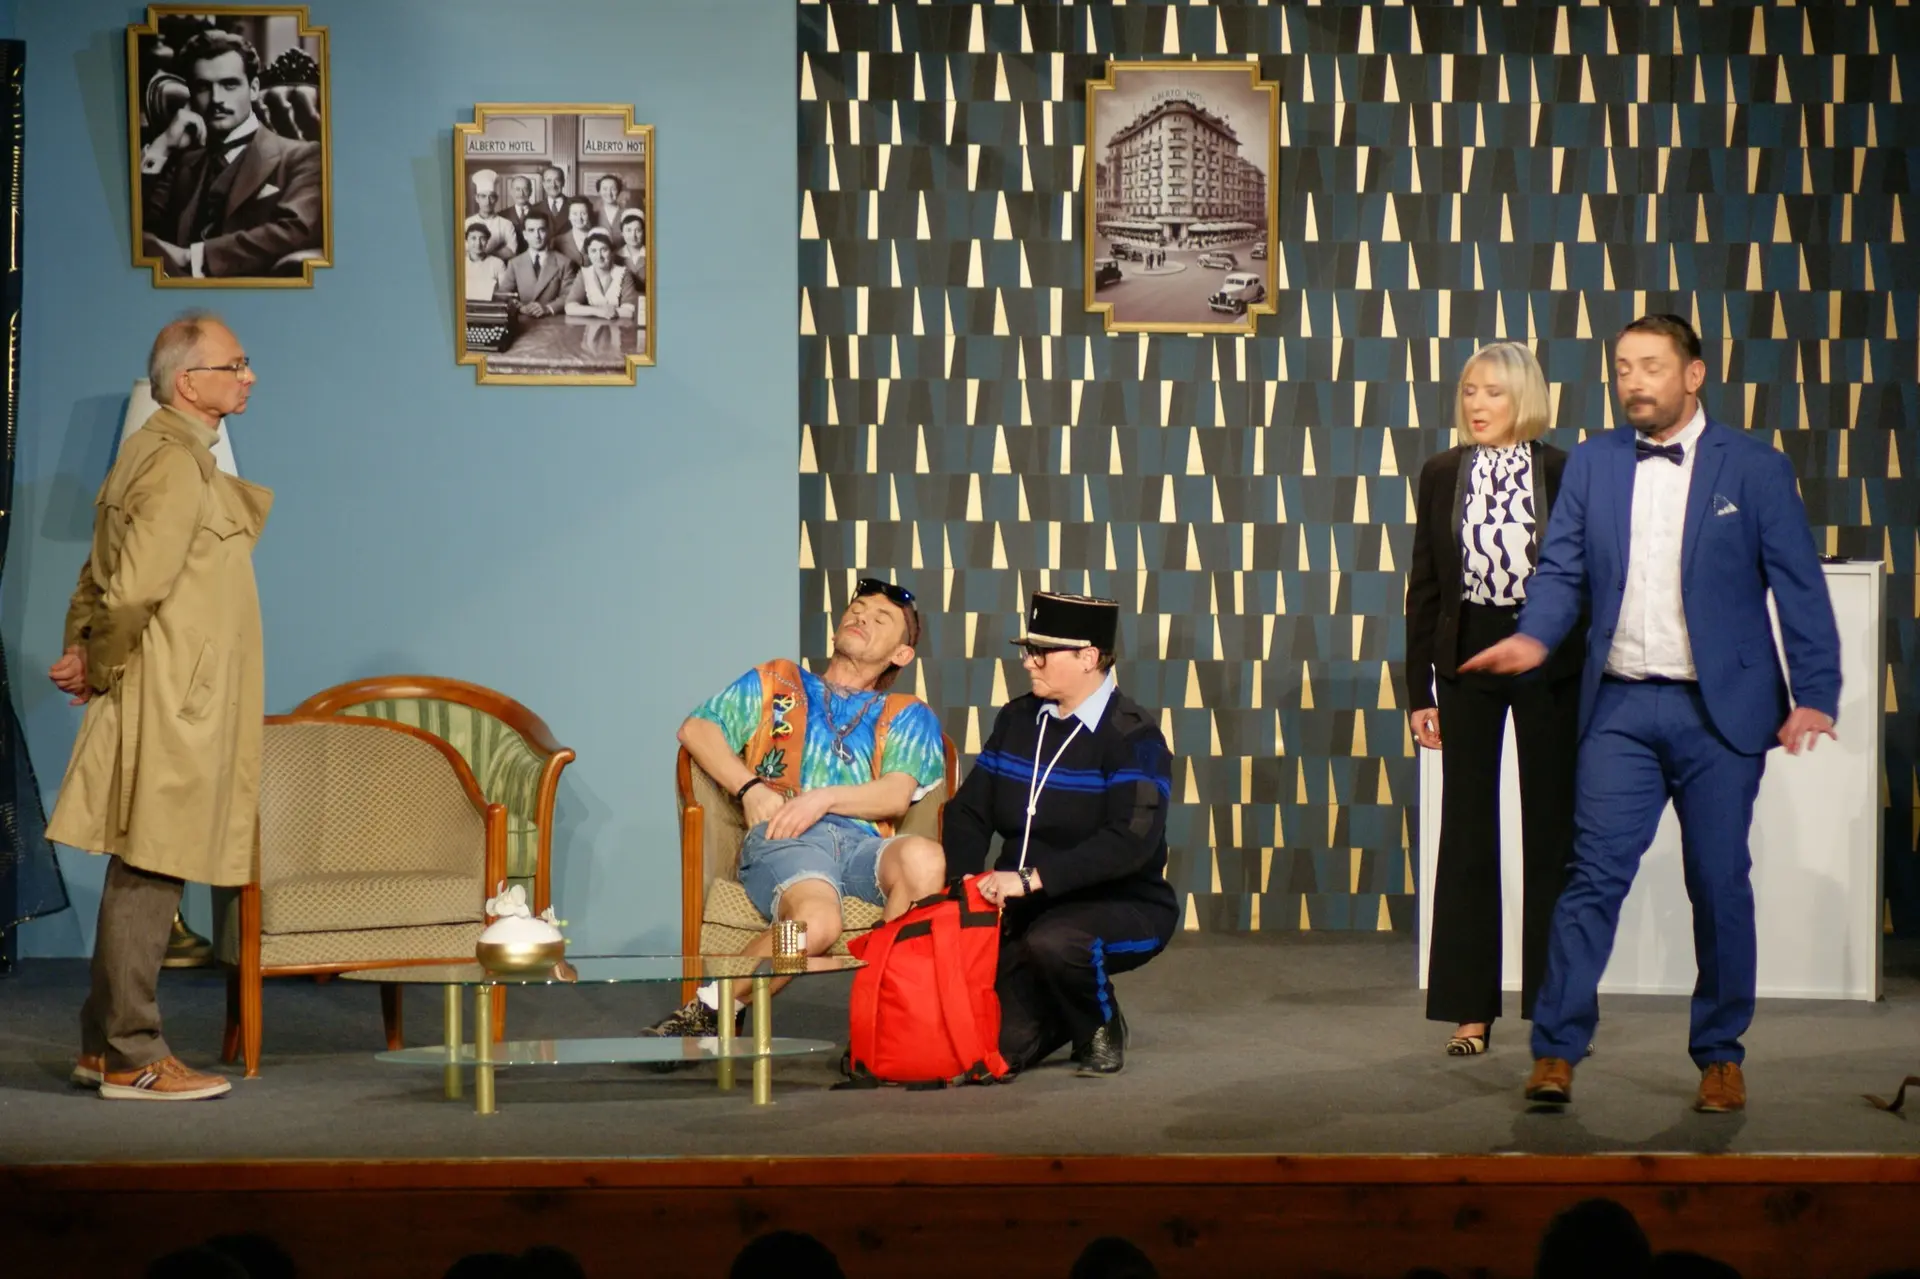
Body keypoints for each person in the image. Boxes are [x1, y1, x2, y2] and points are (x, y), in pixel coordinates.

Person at [1464, 315, 1842, 1114]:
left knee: (1718, 881)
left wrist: (1815, 691)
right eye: (1622, 367)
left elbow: (1799, 585)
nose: (1632, 381)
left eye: (1650, 366)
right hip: (1622, 706)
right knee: (1591, 877)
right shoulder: (1595, 462)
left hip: (1719, 713)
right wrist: (1535, 636)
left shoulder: (1756, 468)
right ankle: (1556, 1047)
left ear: (1693, 375)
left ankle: (1721, 1055)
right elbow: (1562, 567)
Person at [53, 312, 273, 1100]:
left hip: (174, 690)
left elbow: (99, 571)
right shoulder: (174, 464)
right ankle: (132, 1053)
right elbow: (131, 587)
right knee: (151, 864)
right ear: (188, 381)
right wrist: (100, 662)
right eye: (234, 365)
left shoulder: (156, 452)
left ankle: (99, 1044)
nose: (248, 376)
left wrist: (84, 650)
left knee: (146, 860)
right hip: (176, 698)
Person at [642, 579, 949, 1041]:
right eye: (857, 608)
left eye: (880, 618)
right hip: (789, 839)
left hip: (864, 846)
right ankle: (713, 1006)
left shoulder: (908, 712)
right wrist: (749, 788)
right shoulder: (777, 679)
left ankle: (885, 1021)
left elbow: (894, 795)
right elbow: (696, 730)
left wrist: (823, 798)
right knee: (816, 923)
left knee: (924, 857)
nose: (861, 616)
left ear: (901, 654)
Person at [1404, 342, 1581, 1056]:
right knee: (1467, 831)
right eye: (1470, 390)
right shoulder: (1442, 473)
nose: (1477, 404)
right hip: (1467, 655)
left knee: (1553, 832)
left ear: (1525, 398)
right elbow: (1425, 587)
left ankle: (1558, 1010)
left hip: (1548, 655)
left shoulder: (1564, 471)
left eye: (1494, 392)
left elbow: (1588, 578)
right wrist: (1419, 690)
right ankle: (1468, 1009)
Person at [943, 592, 1177, 1077]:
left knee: (1056, 944)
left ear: (1088, 657)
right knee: (971, 1048)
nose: (1028, 662)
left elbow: (1129, 843)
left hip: (1121, 906)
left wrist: (1030, 879)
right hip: (1025, 911)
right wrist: (962, 886)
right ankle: (1056, 1007)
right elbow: (968, 811)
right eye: (1028, 650)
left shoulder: (1135, 738)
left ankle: (1098, 1023)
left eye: (1042, 652)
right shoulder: (1017, 719)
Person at [138, 30, 323, 278]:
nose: (217, 99)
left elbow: (297, 230)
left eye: (229, 85)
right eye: (203, 87)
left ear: (253, 89)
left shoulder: (303, 156)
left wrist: (193, 257)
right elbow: (132, 227)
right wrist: (162, 146)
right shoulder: (185, 160)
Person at [501, 211, 574, 318]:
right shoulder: (514, 263)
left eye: (541, 230)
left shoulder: (565, 262)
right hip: (523, 321)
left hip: (553, 322)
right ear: (525, 235)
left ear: (548, 232)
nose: (537, 236)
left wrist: (548, 308)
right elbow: (504, 295)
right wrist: (520, 307)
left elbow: (569, 295)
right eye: (531, 230)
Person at [562, 230, 637, 320]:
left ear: (611, 252)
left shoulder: (623, 273)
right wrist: (598, 311)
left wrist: (606, 312)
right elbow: (570, 308)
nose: (599, 256)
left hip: (619, 326)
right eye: (593, 251)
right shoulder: (584, 273)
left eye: (604, 250)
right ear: (588, 254)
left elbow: (629, 311)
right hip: (592, 326)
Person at [465, 169, 518, 261]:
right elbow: (462, 249)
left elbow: (512, 250)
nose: (487, 201)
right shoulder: (467, 222)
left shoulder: (506, 224)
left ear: (496, 199)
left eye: (491, 197)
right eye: (483, 196)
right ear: (477, 198)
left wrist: (487, 255)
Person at [462, 220, 508, 302]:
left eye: (482, 239)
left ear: (487, 241)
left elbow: (504, 294)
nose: (478, 243)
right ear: (467, 240)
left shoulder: (498, 264)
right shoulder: (460, 264)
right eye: (473, 238)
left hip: (491, 307)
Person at [555, 196, 597, 269]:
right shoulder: (557, 242)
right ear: (569, 216)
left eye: (583, 213)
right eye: (575, 213)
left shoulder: (598, 238)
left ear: (589, 215)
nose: (579, 218)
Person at [503, 174, 539, 243]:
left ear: (531, 191)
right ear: (511, 192)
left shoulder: (540, 212)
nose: (521, 193)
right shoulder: (502, 215)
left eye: (525, 189)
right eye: (517, 189)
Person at [616, 207, 647, 278]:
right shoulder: (615, 257)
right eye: (628, 230)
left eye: (638, 230)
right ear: (622, 232)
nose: (633, 235)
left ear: (643, 232)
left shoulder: (652, 255)